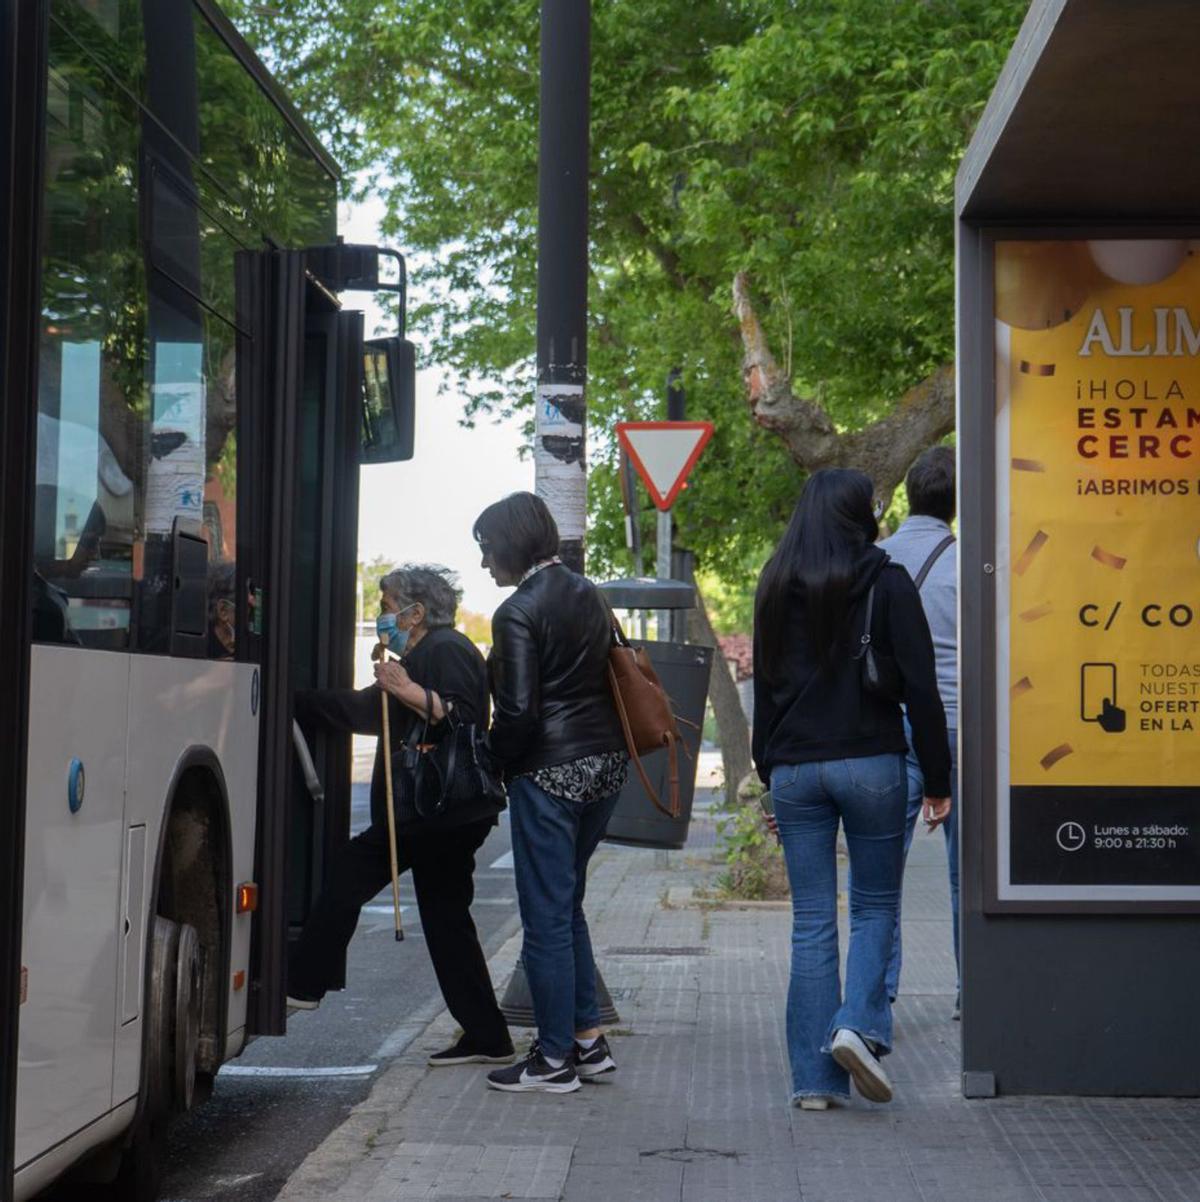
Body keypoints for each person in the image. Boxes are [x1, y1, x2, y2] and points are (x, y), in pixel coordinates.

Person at [752, 468, 950, 1110]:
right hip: (870, 762)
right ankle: (857, 1026)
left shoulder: (774, 583)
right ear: (859, 514)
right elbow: (921, 687)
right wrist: (939, 781)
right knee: (873, 908)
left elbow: (766, 691)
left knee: (811, 923)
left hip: (796, 770)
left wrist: (768, 776)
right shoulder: (885, 579)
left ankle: (813, 1085)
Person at [287, 564, 513, 1067]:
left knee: (350, 872)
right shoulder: (422, 653)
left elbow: (462, 717)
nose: (381, 616)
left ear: (415, 612)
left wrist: (404, 688)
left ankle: (304, 983)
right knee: (446, 918)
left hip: (438, 810)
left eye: (387, 606)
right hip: (447, 812)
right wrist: (299, 702)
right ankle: (487, 1036)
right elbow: (368, 712)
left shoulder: (447, 649)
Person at [473, 492, 628, 1095]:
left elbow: (516, 714)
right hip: (605, 767)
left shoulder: (517, 612)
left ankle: (553, 1058)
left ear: (511, 543)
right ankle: (588, 1042)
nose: (486, 563)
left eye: (487, 549)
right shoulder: (591, 594)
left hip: (549, 772)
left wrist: (493, 761)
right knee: (566, 905)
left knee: (544, 915)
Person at [878, 446, 961, 1018]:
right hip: (960, 726)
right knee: (967, 876)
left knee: (879, 880)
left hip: (885, 729)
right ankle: (972, 994)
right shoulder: (975, 564)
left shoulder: (873, 560)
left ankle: (876, 998)